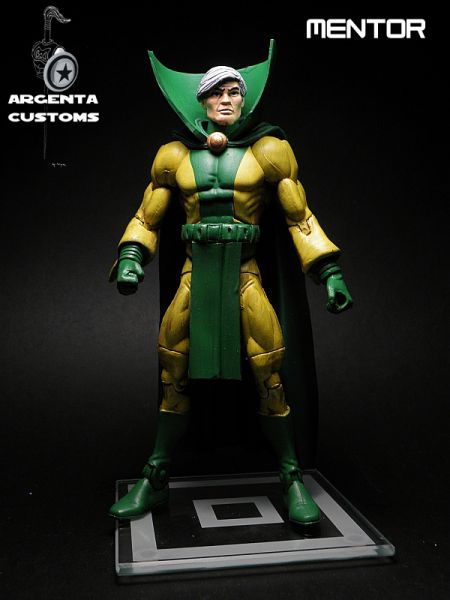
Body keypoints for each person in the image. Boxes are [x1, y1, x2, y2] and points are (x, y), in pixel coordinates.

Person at [109, 51, 352, 526]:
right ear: (201, 101)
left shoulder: (269, 150)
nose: (226, 98)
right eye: (216, 92)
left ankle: (290, 476)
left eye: (234, 91)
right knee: (173, 372)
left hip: (244, 274)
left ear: (245, 99)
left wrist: (329, 272)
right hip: (194, 275)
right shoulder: (174, 155)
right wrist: (132, 257)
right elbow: (147, 215)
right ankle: (156, 477)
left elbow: (299, 217)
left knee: (269, 371)